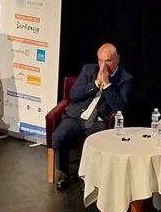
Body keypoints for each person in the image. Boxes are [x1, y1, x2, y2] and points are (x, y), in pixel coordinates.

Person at [51, 43, 133, 190]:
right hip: (76, 117)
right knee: (59, 135)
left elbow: (119, 106)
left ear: (117, 59)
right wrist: (95, 84)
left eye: (107, 61)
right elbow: (73, 95)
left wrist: (107, 85)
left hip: (99, 121)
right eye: (100, 60)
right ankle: (63, 172)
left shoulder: (125, 79)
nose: (103, 65)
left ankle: (90, 178)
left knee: (96, 142)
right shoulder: (88, 70)